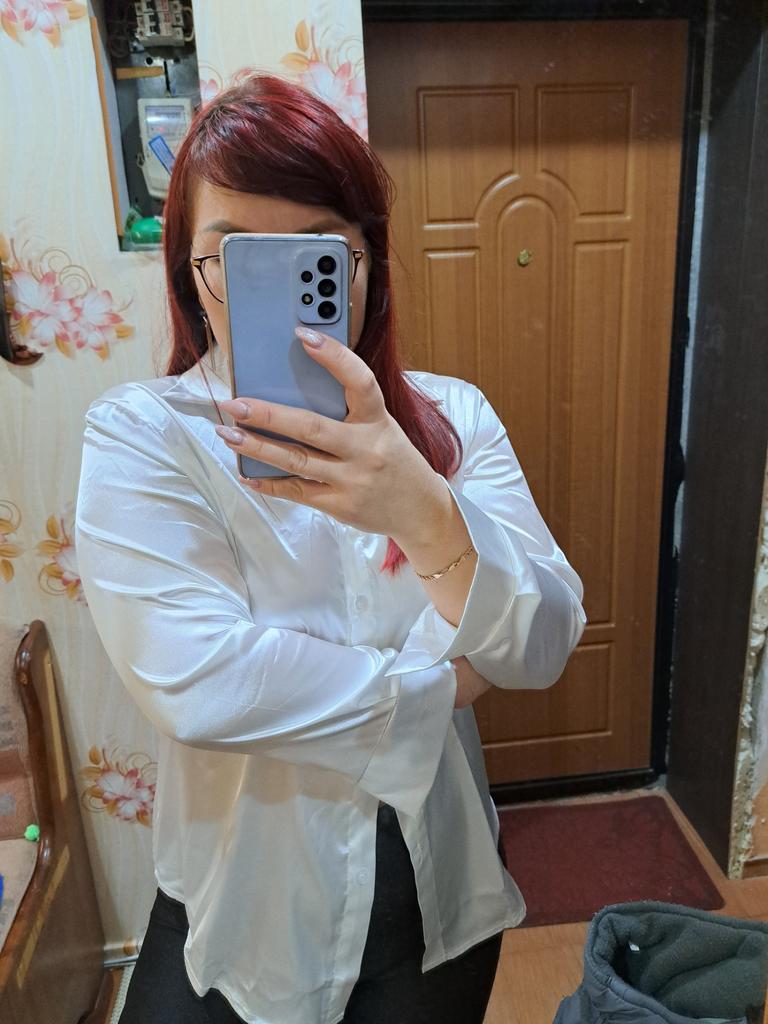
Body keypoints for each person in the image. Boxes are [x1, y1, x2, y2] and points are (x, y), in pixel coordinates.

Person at [75, 71, 586, 1024]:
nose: (274, 288)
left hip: (435, 887)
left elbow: (545, 642)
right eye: (236, 255)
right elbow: (201, 681)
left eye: (314, 252)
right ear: (192, 274)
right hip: (241, 895)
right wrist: (444, 683)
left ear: (365, 265)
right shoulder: (144, 436)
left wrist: (422, 510)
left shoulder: (453, 422)